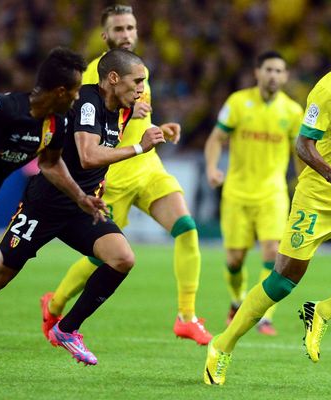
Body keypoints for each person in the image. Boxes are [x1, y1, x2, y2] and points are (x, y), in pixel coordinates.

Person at [203, 22, 331, 385]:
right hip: (318, 197)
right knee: (283, 282)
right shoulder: (327, 91)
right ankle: (221, 346)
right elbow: (303, 145)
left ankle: (323, 311)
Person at [0, 49, 168, 366]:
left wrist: (151, 123)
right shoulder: (88, 103)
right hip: (44, 204)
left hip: (82, 205)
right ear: (114, 79)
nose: (141, 88)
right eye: (138, 81)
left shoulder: (124, 107)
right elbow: (88, 155)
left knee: (122, 258)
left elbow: (70, 156)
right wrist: (138, 147)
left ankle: (67, 329)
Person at [40, 4, 212, 346]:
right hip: (113, 176)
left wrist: (158, 128)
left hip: (147, 169)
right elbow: (89, 133)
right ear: (105, 36)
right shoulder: (92, 76)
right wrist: (132, 119)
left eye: (131, 28)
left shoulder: (138, 69)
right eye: (119, 30)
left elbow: (135, 121)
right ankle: (55, 304)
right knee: (100, 257)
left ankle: (186, 317)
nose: (127, 35)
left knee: (187, 230)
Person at [0, 47, 106, 309]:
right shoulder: (5, 107)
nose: (78, 97)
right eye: (75, 90)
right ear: (60, 92)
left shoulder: (57, 124)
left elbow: (51, 163)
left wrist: (81, 198)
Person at [204, 50, 304, 336]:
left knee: (272, 252)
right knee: (234, 259)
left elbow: (300, 153)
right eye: (268, 70)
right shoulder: (238, 102)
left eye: (278, 71)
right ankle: (237, 301)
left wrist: (305, 181)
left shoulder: (293, 111)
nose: (273, 75)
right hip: (236, 192)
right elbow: (216, 138)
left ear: (285, 76)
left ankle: (264, 316)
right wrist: (212, 168)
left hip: (272, 193)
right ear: (257, 72)